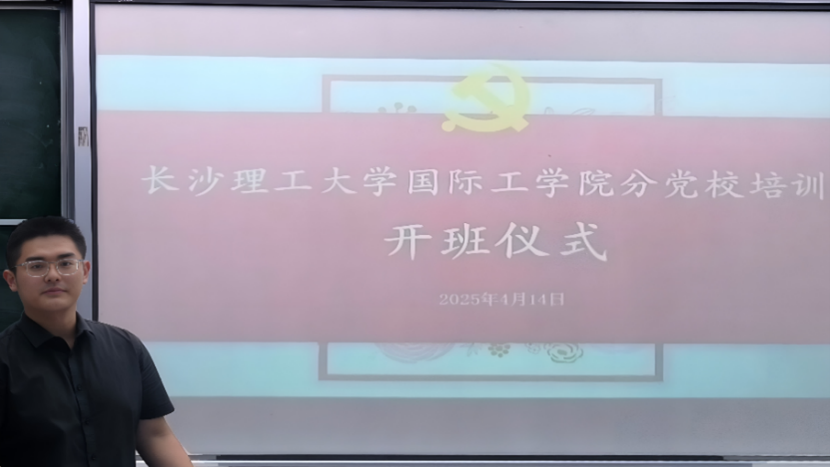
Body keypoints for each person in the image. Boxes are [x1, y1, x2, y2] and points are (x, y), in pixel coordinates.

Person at [0, 216, 193, 467]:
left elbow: (155, 435)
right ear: (11, 280)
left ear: (84, 272)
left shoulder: (127, 348)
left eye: (66, 263)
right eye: (36, 266)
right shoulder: (4, 359)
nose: (53, 275)